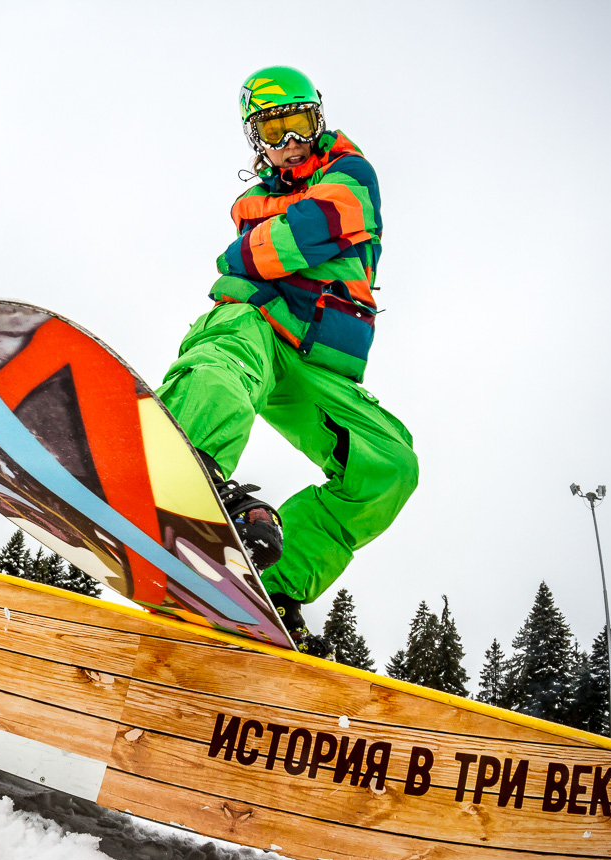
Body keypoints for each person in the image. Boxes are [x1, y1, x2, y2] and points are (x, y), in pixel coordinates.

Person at [157, 66, 418, 654]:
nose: (286, 143)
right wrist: (256, 252)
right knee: (224, 365)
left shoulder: (352, 173)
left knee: (389, 467)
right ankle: (179, 472)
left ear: (316, 118)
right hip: (259, 322)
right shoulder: (253, 199)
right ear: (255, 139)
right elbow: (248, 254)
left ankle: (272, 587)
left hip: (320, 359)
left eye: (296, 124)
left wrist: (256, 251)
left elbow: (299, 235)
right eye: (270, 133)